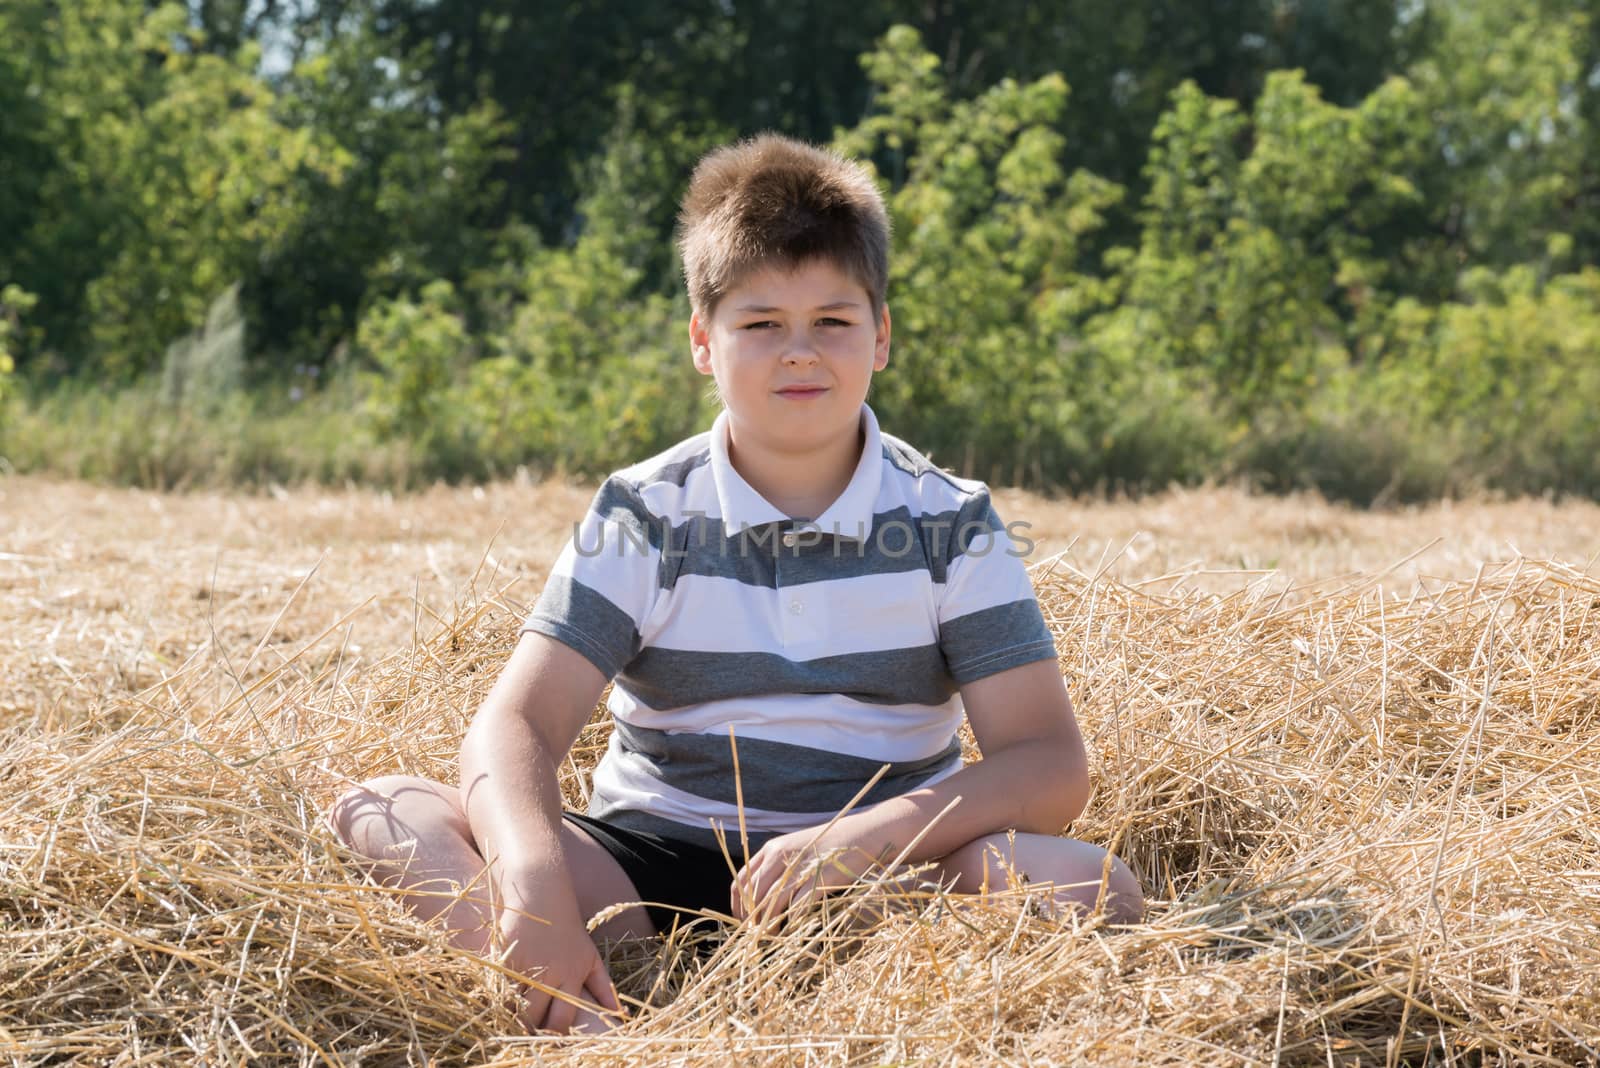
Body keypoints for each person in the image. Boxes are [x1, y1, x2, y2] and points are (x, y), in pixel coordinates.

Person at [327, 133, 1144, 1035]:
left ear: (881, 337)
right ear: (702, 343)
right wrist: (534, 887)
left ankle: (867, 1003)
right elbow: (515, 724)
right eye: (760, 325)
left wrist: (859, 840)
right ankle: (582, 1023)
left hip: (879, 879)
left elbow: (1050, 764)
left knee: (1086, 883)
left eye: (832, 321)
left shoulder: (950, 521)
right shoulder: (646, 513)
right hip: (648, 866)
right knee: (384, 812)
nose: (800, 352)